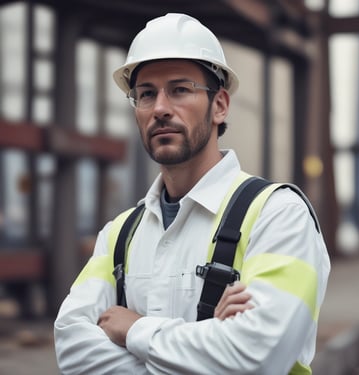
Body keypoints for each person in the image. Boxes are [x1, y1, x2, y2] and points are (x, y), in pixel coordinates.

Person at [54, 13, 330, 375]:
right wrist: (211, 342)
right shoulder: (120, 235)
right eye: (146, 94)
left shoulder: (278, 216)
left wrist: (134, 328)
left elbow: (259, 357)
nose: (161, 108)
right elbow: (72, 351)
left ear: (220, 106)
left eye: (181, 90)